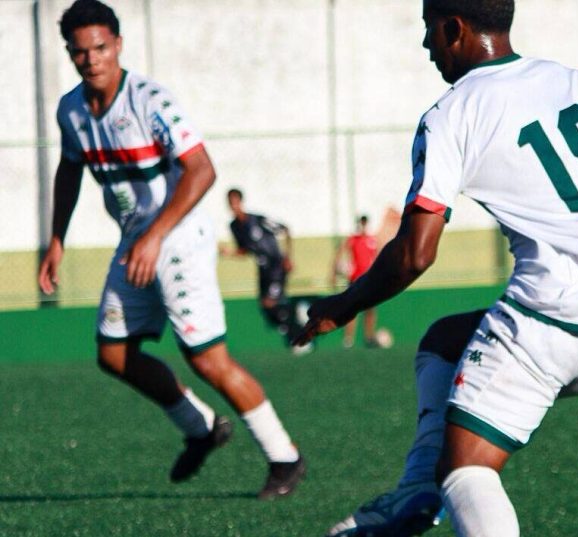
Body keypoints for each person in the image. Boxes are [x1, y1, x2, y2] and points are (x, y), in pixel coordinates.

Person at [295, 1, 578, 535]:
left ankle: (427, 486)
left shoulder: (451, 112)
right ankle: (415, 488)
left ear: (454, 28)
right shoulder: (577, 83)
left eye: (428, 32)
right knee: (444, 340)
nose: (426, 47)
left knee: (466, 471)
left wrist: (342, 305)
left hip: (550, 320)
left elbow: (416, 253)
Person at [37, 0, 304, 499]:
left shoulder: (150, 100)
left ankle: (284, 457)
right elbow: (70, 169)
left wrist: (157, 235)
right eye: (80, 52)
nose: (92, 59)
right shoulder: (71, 110)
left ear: (117, 45)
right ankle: (201, 428)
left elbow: (202, 168)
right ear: (70, 55)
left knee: (207, 359)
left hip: (177, 240)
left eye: (100, 48)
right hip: (136, 242)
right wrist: (56, 239)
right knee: (113, 354)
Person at [224, 188, 311, 352]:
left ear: (241, 202)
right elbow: (244, 250)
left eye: (235, 201)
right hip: (262, 270)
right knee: (267, 308)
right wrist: (229, 253)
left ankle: (299, 339)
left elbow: (285, 229)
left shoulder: (258, 220)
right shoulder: (235, 226)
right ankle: (298, 314)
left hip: (276, 266)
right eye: (230, 203)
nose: (233, 206)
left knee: (270, 302)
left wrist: (287, 257)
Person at [331, 215, 385, 348]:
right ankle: (348, 339)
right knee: (352, 310)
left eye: (365, 223)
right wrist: (334, 271)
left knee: (370, 310)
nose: (363, 226)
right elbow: (340, 252)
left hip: (370, 279)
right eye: (361, 223)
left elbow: (378, 258)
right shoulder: (353, 239)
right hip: (355, 279)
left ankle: (369, 337)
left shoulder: (372, 240)